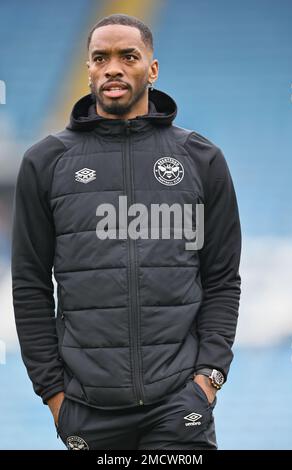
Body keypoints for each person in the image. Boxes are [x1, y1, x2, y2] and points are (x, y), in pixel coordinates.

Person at [11, 13, 241, 450]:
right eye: (101, 57)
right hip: (87, 409)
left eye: (127, 56)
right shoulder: (45, 162)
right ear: (90, 70)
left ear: (151, 69)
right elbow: (30, 284)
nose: (113, 67)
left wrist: (208, 378)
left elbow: (222, 278)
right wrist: (54, 396)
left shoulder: (201, 158)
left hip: (179, 404)